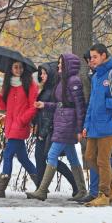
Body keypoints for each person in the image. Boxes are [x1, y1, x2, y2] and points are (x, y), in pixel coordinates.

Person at [26, 53, 87, 201]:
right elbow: (61, 104)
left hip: (67, 124)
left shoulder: (74, 81)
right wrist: (44, 105)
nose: (59, 65)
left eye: (61, 63)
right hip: (62, 122)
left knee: (52, 155)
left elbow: (79, 107)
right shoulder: (63, 82)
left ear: (69, 65)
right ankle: (82, 190)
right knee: (72, 157)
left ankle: (42, 190)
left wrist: (79, 129)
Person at [83, 43, 112, 206]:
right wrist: (86, 124)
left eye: (95, 56)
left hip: (109, 125)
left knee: (103, 160)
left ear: (104, 56)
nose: (92, 60)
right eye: (91, 57)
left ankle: (104, 194)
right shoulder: (96, 76)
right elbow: (91, 104)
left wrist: (105, 104)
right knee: (89, 157)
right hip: (94, 126)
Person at [0, 61, 39, 198]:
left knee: (7, 154)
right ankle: (41, 185)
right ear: (11, 68)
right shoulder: (8, 84)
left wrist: (21, 120)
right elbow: (3, 106)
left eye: (21, 67)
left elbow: (34, 107)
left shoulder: (30, 85)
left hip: (20, 126)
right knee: (23, 159)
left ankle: (0, 189)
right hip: (10, 126)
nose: (18, 69)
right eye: (15, 67)